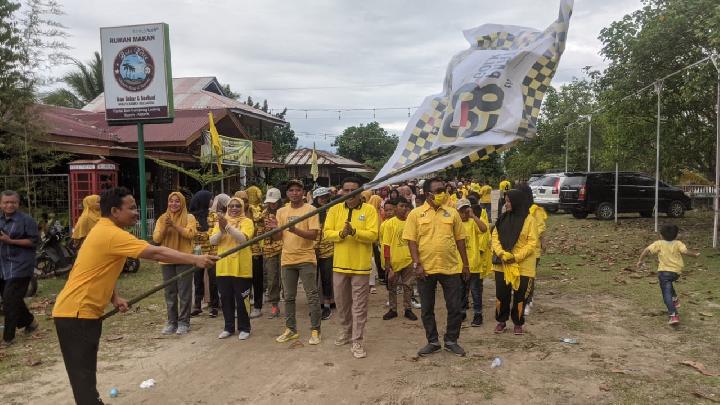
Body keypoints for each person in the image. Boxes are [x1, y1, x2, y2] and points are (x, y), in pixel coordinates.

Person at [52, 187, 217, 404]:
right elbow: (155, 251)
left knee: (86, 382)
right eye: (131, 208)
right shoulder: (111, 233)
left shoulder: (105, 230)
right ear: (114, 211)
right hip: (76, 314)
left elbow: (99, 269)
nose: (137, 212)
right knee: (83, 383)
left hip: (81, 313)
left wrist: (114, 298)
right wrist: (194, 259)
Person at [403, 178, 470, 357]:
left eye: (443, 189)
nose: (443, 193)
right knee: (427, 309)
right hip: (425, 269)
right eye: (439, 190)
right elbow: (411, 241)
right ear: (428, 194)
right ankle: (433, 341)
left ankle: (451, 341)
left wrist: (465, 264)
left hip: (451, 268)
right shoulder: (415, 214)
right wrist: (417, 264)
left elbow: (460, 240)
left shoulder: (452, 213)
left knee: (455, 307)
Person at [323, 177, 378, 358]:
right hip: (339, 265)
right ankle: (346, 332)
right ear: (341, 192)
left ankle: (357, 340)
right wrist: (341, 234)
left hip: (361, 267)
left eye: (353, 190)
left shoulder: (369, 210)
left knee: (360, 306)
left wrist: (355, 232)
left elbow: (373, 235)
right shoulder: (334, 209)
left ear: (360, 192)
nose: (349, 194)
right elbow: (327, 233)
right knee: (342, 303)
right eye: (345, 190)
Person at [267, 179, 322, 345]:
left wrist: (295, 229)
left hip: (306, 258)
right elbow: (278, 237)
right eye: (291, 190)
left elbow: (313, 235)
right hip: (287, 259)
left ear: (303, 193)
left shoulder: (311, 209)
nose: (294, 193)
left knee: (311, 295)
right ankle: (291, 329)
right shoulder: (281, 212)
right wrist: (274, 228)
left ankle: (315, 330)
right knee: (289, 297)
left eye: (298, 190)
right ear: (287, 193)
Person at [491, 189, 538, 336]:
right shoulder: (503, 218)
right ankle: (501, 321)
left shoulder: (530, 220)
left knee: (520, 296)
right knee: (501, 294)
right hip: (503, 263)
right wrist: (501, 253)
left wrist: (515, 257)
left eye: (509, 201)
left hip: (523, 265)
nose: (506, 204)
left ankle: (518, 322)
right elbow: (494, 238)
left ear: (517, 202)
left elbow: (532, 243)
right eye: (505, 201)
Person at [153, 192, 198, 335]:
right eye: (171, 201)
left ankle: (184, 322)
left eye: (177, 201)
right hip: (166, 259)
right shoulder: (162, 218)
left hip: (184, 258)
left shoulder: (189, 217)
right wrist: (167, 227)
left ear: (182, 203)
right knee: (170, 292)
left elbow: (190, 234)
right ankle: (172, 322)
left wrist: (175, 226)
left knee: (184, 291)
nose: (173, 204)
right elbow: (157, 238)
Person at [210, 197, 255, 340]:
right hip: (223, 266)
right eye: (231, 206)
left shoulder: (247, 222)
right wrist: (222, 230)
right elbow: (212, 241)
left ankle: (245, 327)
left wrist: (227, 227)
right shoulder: (221, 222)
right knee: (226, 298)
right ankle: (228, 327)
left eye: (237, 206)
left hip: (242, 267)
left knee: (242, 299)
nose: (234, 208)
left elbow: (243, 239)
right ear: (227, 208)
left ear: (242, 207)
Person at [637, 224, 700, 325]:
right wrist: (695, 255)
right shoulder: (678, 243)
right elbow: (685, 251)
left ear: (661, 235)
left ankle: (673, 315)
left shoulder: (659, 243)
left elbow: (647, 250)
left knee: (666, 295)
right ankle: (674, 299)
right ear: (676, 235)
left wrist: (640, 260)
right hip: (676, 273)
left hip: (663, 273)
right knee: (669, 285)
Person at [0, 190, 39, 347]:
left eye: (13, 202)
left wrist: (11, 241)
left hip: (21, 265)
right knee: (12, 298)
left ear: (18, 203)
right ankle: (30, 322)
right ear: (1, 204)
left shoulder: (26, 220)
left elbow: (34, 242)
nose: (9, 205)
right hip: (3, 266)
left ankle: (8, 338)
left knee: (9, 301)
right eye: (6, 202)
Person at [381, 197, 417, 321]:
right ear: (396, 208)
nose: (404, 208)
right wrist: (388, 264)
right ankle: (393, 309)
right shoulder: (390, 224)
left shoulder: (411, 222)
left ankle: (408, 309)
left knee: (408, 286)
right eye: (401, 206)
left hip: (408, 260)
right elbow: (386, 245)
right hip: (394, 261)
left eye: (406, 206)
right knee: (392, 287)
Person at [455, 198, 489, 327]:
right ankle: (462, 312)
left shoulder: (472, 222)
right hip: (458, 264)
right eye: (461, 211)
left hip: (473, 263)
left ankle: (478, 314)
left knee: (475, 291)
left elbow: (484, 229)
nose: (464, 213)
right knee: (461, 290)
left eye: (466, 210)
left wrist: (473, 216)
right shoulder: (455, 224)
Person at [517, 183, 547, 316]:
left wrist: (527, 233)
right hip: (518, 249)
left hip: (533, 249)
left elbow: (540, 228)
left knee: (529, 276)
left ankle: (528, 300)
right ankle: (520, 298)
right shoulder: (516, 209)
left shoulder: (536, 210)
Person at [235, 190, 265, 319]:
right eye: (239, 201)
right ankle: (243, 306)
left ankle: (257, 306)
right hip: (239, 252)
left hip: (255, 251)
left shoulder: (255, 213)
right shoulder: (232, 214)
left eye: (245, 200)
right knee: (241, 281)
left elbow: (262, 227)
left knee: (257, 279)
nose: (243, 203)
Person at [189, 190, 219, 318]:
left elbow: (214, 233)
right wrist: (204, 233)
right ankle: (197, 306)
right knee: (197, 280)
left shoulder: (214, 215)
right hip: (197, 253)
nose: (212, 201)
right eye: (210, 198)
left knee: (213, 280)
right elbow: (191, 233)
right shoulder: (192, 217)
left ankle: (214, 306)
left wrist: (202, 234)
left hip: (212, 252)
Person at [260, 188, 283, 318]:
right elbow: (259, 232)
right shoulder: (263, 214)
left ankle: (289, 299)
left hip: (284, 247)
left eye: (274, 202)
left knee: (285, 277)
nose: (272, 204)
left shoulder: (284, 212)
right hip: (269, 250)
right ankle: (275, 304)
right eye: (270, 202)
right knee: (272, 278)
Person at [312, 187, 335, 320]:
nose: (323, 199)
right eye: (320, 197)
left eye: (325, 197)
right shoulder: (310, 211)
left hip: (328, 249)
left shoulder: (332, 210)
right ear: (315, 198)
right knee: (312, 279)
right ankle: (315, 305)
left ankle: (327, 304)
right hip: (312, 249)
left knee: (327, 277)